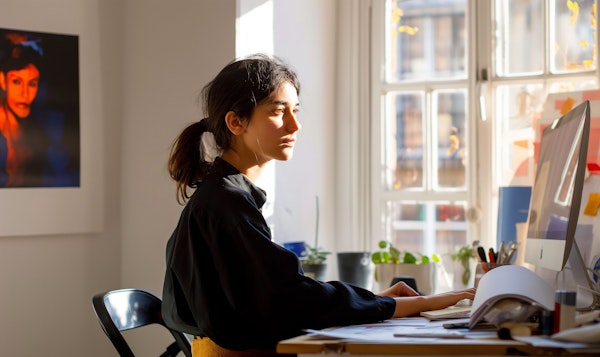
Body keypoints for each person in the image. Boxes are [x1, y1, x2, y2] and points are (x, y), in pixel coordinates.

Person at [162, 54, 476, 357]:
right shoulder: (227, 203)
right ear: (236, 122)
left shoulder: (221, 197)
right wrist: (411, 304)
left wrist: (373, 300)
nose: (294, 126)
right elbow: (291, 300)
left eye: (295, 110)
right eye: (277, 112)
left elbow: (280, 297)